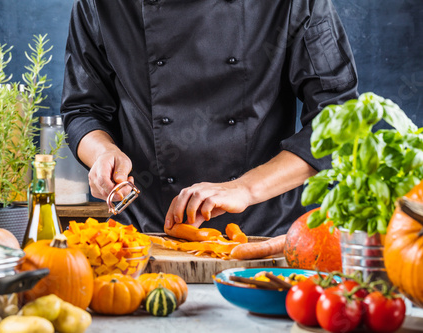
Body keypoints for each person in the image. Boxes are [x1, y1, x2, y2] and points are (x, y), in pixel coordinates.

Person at [60, 0, 358, 236]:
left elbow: (340, 120)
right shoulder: (101, 4)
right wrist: (102, 153)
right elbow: (83, 109)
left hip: (264, 236)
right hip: (145, 237)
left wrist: (245, 188)